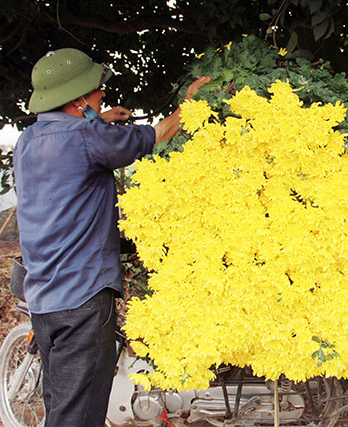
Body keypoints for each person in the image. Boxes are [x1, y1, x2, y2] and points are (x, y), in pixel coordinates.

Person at [14, 48, 209, 427]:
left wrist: (99, 120)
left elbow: (73, 144)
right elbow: (157, 134)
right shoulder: (89, 138)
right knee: (79, 418)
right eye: (96, 89)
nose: (102, 94)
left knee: (61, 408)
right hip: (81, 299)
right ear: (77, 99)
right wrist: (189, 105)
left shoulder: (29, 140)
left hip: (43, 300)